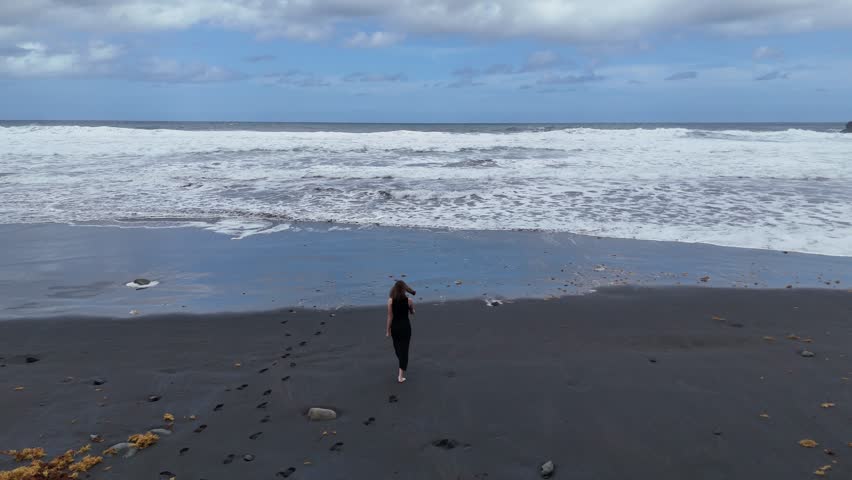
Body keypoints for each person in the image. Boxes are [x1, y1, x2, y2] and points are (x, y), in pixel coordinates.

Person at [387, 280, 416, 383]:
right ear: (404, 289)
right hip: (405, 327)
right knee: (404, 350)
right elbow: (412, 312)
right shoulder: (409, 300)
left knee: (398, 348)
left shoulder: (390, 301)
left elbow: (390, 317)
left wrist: (388, 330)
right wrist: (412, 310)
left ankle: (400, 375)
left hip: (395, 327)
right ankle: (402, 365)